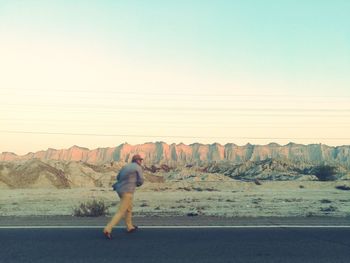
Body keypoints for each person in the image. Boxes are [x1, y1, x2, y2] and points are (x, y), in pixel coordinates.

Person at [103, 154, 144, 239]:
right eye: (140, 160)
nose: (141, 161)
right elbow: (140, 180)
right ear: (136, 160)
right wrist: (136, 183)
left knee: (129, 208)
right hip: (127, 191)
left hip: (119, 190)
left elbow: (118, 177)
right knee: (121, 211)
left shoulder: (126, 167)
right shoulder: (138, 167)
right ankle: (108, 229)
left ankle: (129, 227)